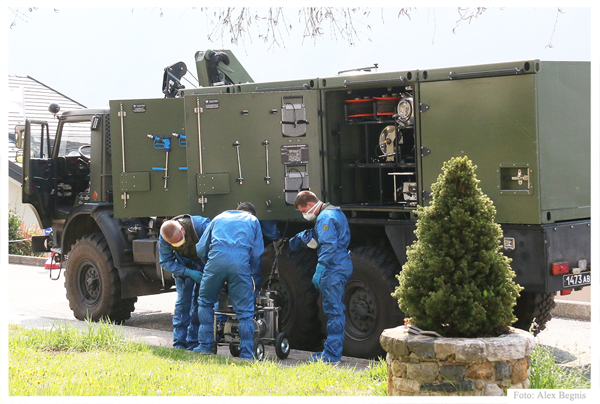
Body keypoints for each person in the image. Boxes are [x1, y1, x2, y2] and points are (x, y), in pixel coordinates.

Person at [194, 202, 265, 359]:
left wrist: (211, 264)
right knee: (245, 312)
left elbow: (200, 248)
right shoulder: (253, 221)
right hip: (240, 264)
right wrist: (249, 272)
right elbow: (257, 253)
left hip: (215, 261)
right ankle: (246, 353)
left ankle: (205, 346)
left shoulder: (218, 218)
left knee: (205, 303)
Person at [289, 191, 353, 363]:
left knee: (333, 311)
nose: (305, 215)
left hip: (333, 267)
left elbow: (328, 245)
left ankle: (331, 355)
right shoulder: (335, 212)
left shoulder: (325, 218)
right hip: (341, 263)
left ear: (310, 205)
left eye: (303, 211)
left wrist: (320, 268)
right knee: (336, 309)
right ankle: (332, 351)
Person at [159, 214, 210, 350]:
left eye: (179, 240)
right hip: (183, 268)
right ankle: (179, 343)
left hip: (204, 265)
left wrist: (209, 272)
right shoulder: (165, 235)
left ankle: (195, 342)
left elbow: (215, 249)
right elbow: (165, 261)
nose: (177, 244)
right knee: (183, 305)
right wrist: (188, 272)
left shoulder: (201, 226)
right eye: (174, 243)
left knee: (201, 305)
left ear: (182, 229)